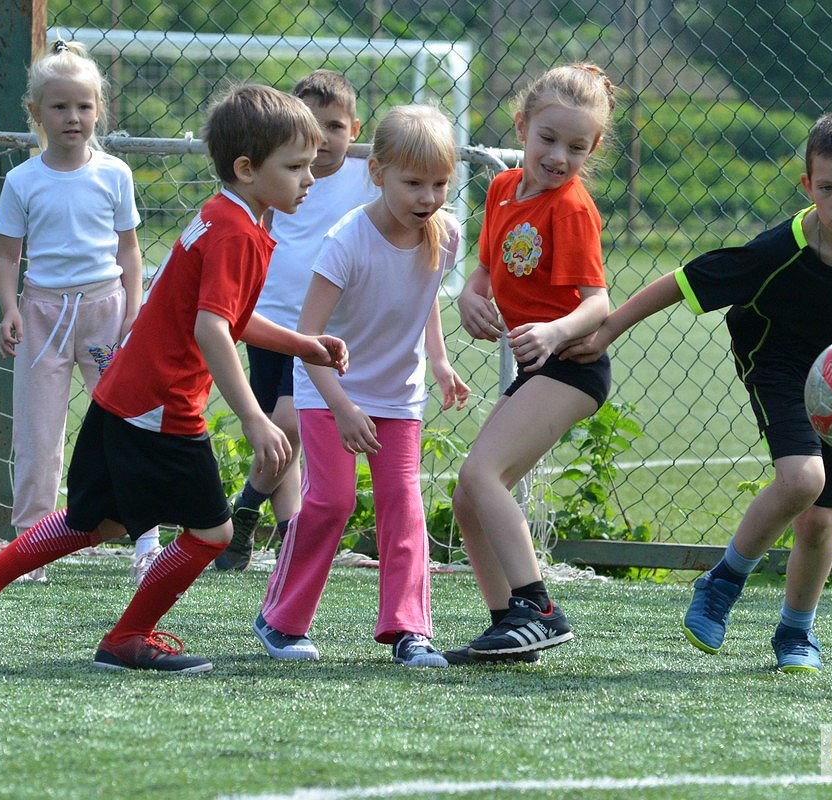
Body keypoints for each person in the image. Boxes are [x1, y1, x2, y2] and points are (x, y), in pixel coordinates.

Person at [0, 84, 347, 673]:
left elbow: (225, 317)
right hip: (160, 406)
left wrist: (301, 343)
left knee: (97, 521)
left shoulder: (226, 214)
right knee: (212, 534)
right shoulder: (237, 233)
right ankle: (128, 637)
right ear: (246, 168)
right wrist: (254, 417)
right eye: (295, 167)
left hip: (126, 394)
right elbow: (214, 330)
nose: (309, 179)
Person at [561, 109, 832, 673]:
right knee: (804, 477)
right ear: (807, 187)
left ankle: (795, 634)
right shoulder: (778, 249)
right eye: (827, 188)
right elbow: (683, 281)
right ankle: (722, 582)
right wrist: (607, 328)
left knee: (820, 517)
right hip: (777, 362)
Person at [253, 104, 468, 668]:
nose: (428, 197)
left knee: (403, 505)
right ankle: (280, 620)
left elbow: (421, 302)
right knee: (332, 500)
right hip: (327, 389)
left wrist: (440, 362)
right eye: (413, 183)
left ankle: (408, 629)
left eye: (440, 183)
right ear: (377, 172)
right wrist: (344, 408)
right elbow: (308, 338)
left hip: (398, 397)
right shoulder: (347, 240)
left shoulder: (443, 235)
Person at [447, 64, 617, 663]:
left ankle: (538, 608)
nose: (558, 156)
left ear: (593, 149)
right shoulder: (501, 191)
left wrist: (552, 330)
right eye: (548, 138)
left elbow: (597, 304)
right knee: (470, 497)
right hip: (537, 369)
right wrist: (472, 294)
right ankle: (509, 625)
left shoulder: (570, 209)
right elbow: (488, 269)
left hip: (572, 367)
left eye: (576, 146)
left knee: (480, 478)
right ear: (521, 127)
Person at [0, 40, 161, 585]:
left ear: (98, 111)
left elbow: (129, 248)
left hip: (105, 313)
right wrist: (11, 309)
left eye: (84, 106)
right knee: (38, 433)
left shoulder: (115, 174)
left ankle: (147, 537)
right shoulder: (23, 180)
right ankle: (30, 543)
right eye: (59, 107)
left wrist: (134, 310)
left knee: (128, 423)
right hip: (41, 316)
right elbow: (7, 253)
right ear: (36, 113)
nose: (73, 117)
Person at [215, 69, 378, 571]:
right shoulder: (275, 173)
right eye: (312, 124)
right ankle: (288, 530)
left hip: (325, 331)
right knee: (282, 426)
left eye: (335, 126)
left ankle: (246, 509)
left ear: (354, 129)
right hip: (267, 320)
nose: (324, 138)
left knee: (290, 422)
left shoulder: (365, 174)